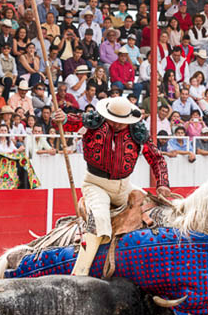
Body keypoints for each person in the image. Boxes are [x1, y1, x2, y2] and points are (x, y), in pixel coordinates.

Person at [71, 97, 171, 276]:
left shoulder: (137, 131)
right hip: (95, 183)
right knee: (100, 219)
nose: (116, 125)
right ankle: (79, 273)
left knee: (155, 207)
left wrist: (162, 183)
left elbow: (156, 158)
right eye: (113, 120)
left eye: (121, 121)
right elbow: (67, 123)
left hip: (124, 185)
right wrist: (62, 118)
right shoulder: (94, 122)